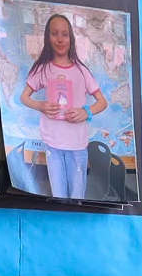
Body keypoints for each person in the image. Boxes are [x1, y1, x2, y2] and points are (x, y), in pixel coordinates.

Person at [18, 13, 109, 201]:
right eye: (54, 33)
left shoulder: (81, 71)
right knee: (58, 195)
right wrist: (40, 105)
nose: (60, 39)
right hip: (53, 144)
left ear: (71, 38)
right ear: (47, 37)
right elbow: (24, 97)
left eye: (65, 34)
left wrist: (86, 112)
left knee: (77, 197)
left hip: (77, 144)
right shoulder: (42, 69)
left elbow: (102, 102)